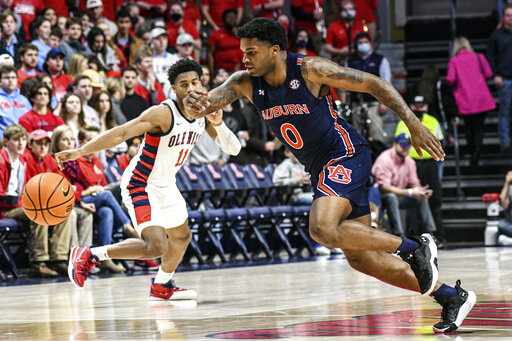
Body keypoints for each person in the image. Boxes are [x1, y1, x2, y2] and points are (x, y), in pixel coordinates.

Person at [181, 18, 475, 332]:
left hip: (345, 154)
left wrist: (414, 123)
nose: (245, 59)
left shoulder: (310, 70)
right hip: (320, 168)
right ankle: (450, 296)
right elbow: (205, 104)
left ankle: (413, 247)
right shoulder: (244, 82)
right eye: (244, 52)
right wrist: (192, 103)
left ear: (276, 51)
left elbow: (374, 84)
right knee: (363, 259)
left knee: (321, 228)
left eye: (252, 52)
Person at [56, 59, 242, 300]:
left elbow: (234, 149)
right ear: (174, 89)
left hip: (167, 184)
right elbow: (121, 133)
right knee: (156, 246)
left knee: (182, 237)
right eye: (184, 84)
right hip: (140, 184)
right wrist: (80, 151)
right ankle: (89, 254)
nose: (191, 88)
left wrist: (219, 123)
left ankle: (162, 285)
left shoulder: (204, 112)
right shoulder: (162, 114)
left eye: (195, 82)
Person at [0, 124, 71, 277]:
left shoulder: (21, 161)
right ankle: (38, 262)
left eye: (23, 139)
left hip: (20, 204)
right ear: (6, 141)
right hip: (6, 209)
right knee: (39, 212)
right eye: (16, 140)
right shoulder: (7, 160)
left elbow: (64, 185)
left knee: (65, 212)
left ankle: (58, 259)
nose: (20, 143)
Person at [395, 95, 445, 245]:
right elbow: (398, 142)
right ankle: (415, 237)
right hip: (411, 164)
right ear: (411, 107)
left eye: (421, 105)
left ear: (426, 107)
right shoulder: (404, 121)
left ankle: (438, 236)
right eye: (416, 106)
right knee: (414, 199)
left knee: (434, 200)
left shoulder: (433, 121)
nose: (419, 108)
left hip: (430, 164)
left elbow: (440, 142)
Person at [372, 133, 436, 237]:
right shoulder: (385, 159)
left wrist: (420, 191)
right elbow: (385, 187)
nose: (405, 148)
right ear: (395, 144)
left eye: (408, 145)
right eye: (403, 145)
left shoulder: (409, 161)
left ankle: (430, 233)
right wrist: (410, 192)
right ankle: (399, 235)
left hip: (400, 194)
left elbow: (415, 183)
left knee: (420, 197)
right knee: (391, 197)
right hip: (381, 196)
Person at [447, 37, 496, 167]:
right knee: (479, 126)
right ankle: (477, 150)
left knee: (468, 126)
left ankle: (472, 151)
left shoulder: (454, 61)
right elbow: (489, 73)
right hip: (481, 98)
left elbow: (450, 79)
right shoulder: (479, 56)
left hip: (465, 99)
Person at [50, 124, 94, 249]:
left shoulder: (74, 161)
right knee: (72, 213)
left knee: (87, 214)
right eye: (65, 139)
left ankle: (86, 256)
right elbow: (63, 187)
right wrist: (81, 197)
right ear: (56, 142)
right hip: (58, 203)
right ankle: (74, 256)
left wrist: (80, 198)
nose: (70, 143)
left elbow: (80, 184)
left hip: (73, 200)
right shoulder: (53, 161)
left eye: (72, 139)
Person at [346, 32, 390, 145]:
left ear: (370, 43)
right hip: (356, 103)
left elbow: (386, 83)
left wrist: (384, 103)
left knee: (376, 135)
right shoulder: (351, 61)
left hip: (374, 103)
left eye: (365, 42)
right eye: (360, 43)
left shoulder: (380, 60)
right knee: (357, 136)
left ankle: (378, 159)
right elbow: (344, 83)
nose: (363, 45)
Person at [487, 4, 512, 152]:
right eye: (508, 15)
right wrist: (495, 75)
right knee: (505, 112)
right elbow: (490, 57)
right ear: (504, 17)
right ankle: (504, 141)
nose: (511, 18)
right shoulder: (497, 35)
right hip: (505, 79)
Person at [208, 10, 244, 74]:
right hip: (221, 70)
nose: (232, 19)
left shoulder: (241, 34)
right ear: (223, 20)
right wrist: (211, 72)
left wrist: (237, 35)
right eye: (229, 17)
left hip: (239, 69)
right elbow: (210, 53)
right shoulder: (216, 34)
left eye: (234, 17)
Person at [0, 65, 31, 138]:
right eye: (6, 78)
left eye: (13, 77)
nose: (10, 80)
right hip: (4, 140)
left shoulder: (23, 99)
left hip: (24, 138)